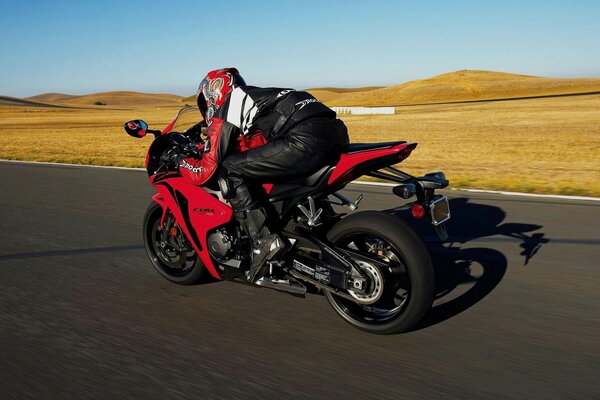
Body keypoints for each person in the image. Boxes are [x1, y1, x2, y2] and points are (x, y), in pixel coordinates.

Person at [178, 67, 349, 282]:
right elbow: (259, 143)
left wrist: (181, 161)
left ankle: (264, 242)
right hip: (335, 133)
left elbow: (206, 170)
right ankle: (321, 226)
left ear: (212, 93)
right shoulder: (256, 97)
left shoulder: (229, 104)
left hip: (304, 137)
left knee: (230, 169)